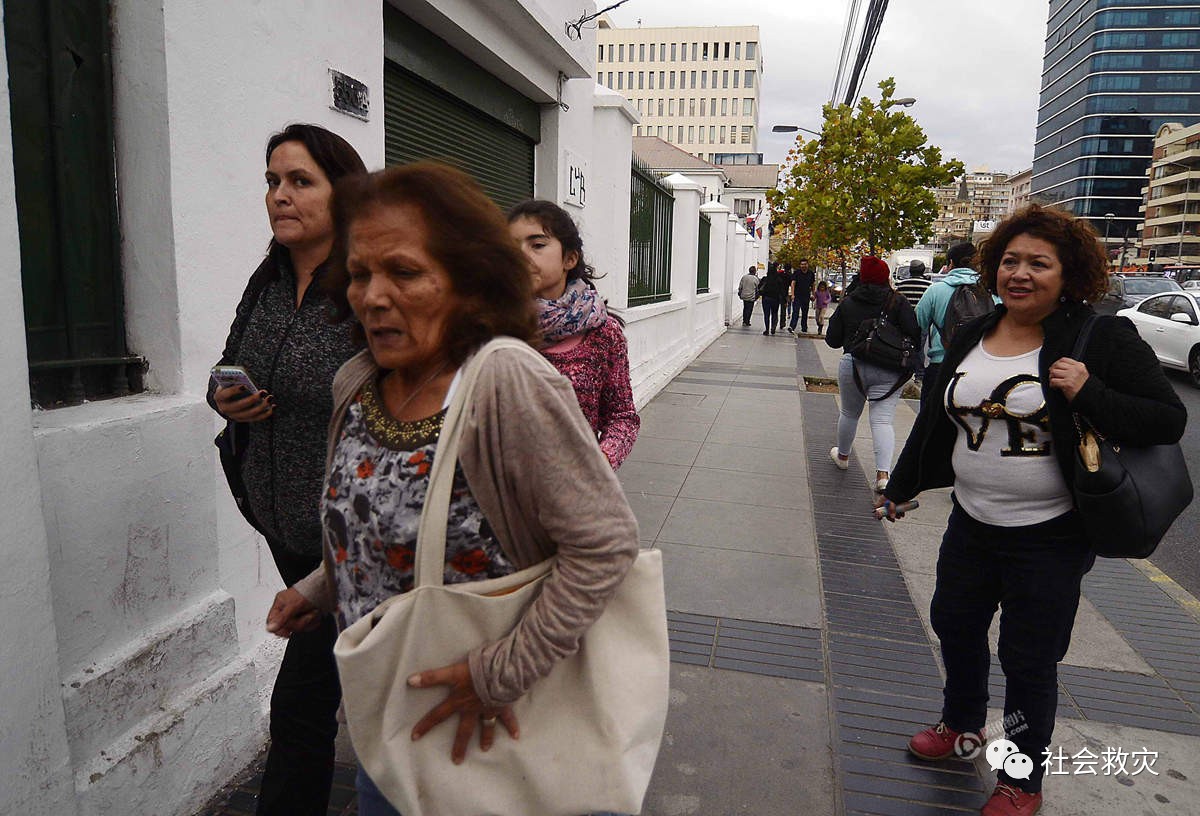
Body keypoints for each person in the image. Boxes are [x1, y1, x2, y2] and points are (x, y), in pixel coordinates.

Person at [263, 162, 640, 815]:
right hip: (389, 727)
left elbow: (605, 547)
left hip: (496, 734)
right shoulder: (356, 382)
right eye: (359, 274)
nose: (372, 296)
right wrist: (321, 587)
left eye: (404, 273)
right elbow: (387, 521)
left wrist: (497, 675)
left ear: (469, 284)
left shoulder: (507, 382)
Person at [876, 204, 1186, 816]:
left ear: (1068, 275)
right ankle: (961, 726)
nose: (1020, 273)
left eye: (1038, 264)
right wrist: (902, 484)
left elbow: (1168, 419)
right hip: (971, 522)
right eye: (1010, 261)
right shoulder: (975, 333)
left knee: (1028, 657)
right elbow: (939, 420)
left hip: (1051, 534)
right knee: (955, 625)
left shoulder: (1101, 337)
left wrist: (1088, 390)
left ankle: (1021, 779)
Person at [207, 124, 367, 816]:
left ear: (345, 192)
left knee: (300, 702)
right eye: (273, 181)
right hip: (280, 521)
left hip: (350, 534)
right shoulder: (269, 277)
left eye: (300, 181)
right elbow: (230, 358)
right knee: (346, 675)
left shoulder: (368, 283)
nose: (280, 195)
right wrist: (226, 398)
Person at [507, 199, 640, 469]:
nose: (521, 255)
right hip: (499, 492)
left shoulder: (603, 333)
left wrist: (599, 461)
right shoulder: (491, 327)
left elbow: (622, 417)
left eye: (537, 245)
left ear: (570, 258)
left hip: (574, 492)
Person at [825, 256, 919, 493]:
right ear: (886, 276)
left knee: (849, 413)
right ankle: (883, 475)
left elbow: (833, 340)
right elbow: (915, 336)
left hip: (854, 365)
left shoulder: (849, 302)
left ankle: (843, 456)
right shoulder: (898, 301)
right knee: (883, 420)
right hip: (890, 370)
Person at [914, 242, 997, 410]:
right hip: (979, 369)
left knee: (929, 426)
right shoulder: (991, 292)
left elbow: (917, 324)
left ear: (950, 263)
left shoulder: (936, 290)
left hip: (940, 366)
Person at [787, 259, 817, 334]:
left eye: (805, 264)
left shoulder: (811, 273)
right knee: (795, 312)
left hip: (806, 296)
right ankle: (792, 326)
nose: (803, 266)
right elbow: (793, 283)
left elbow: (813, 285)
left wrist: (813, 294)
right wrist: (792, 294)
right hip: (797, 296)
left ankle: (804, 327)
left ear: (807, 265)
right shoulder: (797, 273)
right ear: (800, 265)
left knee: (805, 313)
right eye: (802, 264)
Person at [759, 260, 788, 335]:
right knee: (774, 314)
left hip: (766, 299)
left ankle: (767, 329)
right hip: (775, 299)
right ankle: (773, 327)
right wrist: (784, 301)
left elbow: (759, 288)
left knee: (766, 315)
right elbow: (782, 291)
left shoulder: (765, 279)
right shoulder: (779, 280)